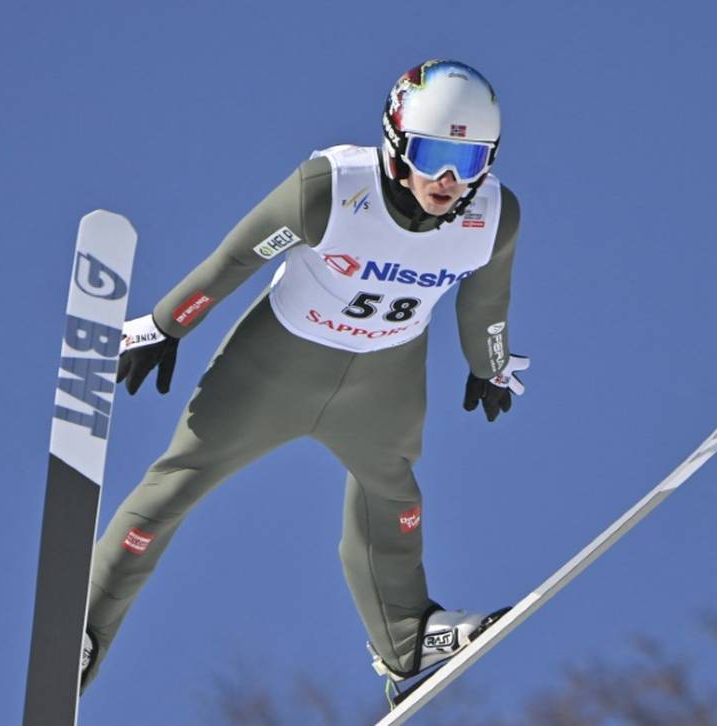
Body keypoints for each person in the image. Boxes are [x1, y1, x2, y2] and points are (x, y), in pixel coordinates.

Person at [79, 59, 528, 692]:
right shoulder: (332, 187)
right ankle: (86, 629)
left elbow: (486, 302)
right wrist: (166, 323)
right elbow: (234, 259)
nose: (450, 180)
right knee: (176, 483)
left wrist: (491, 365)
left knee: (393, 498)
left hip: (386, 381)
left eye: (471, 158)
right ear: (397, 142)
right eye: (432, 155)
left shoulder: (494, 216)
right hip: (274, 368)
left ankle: (408, 640)